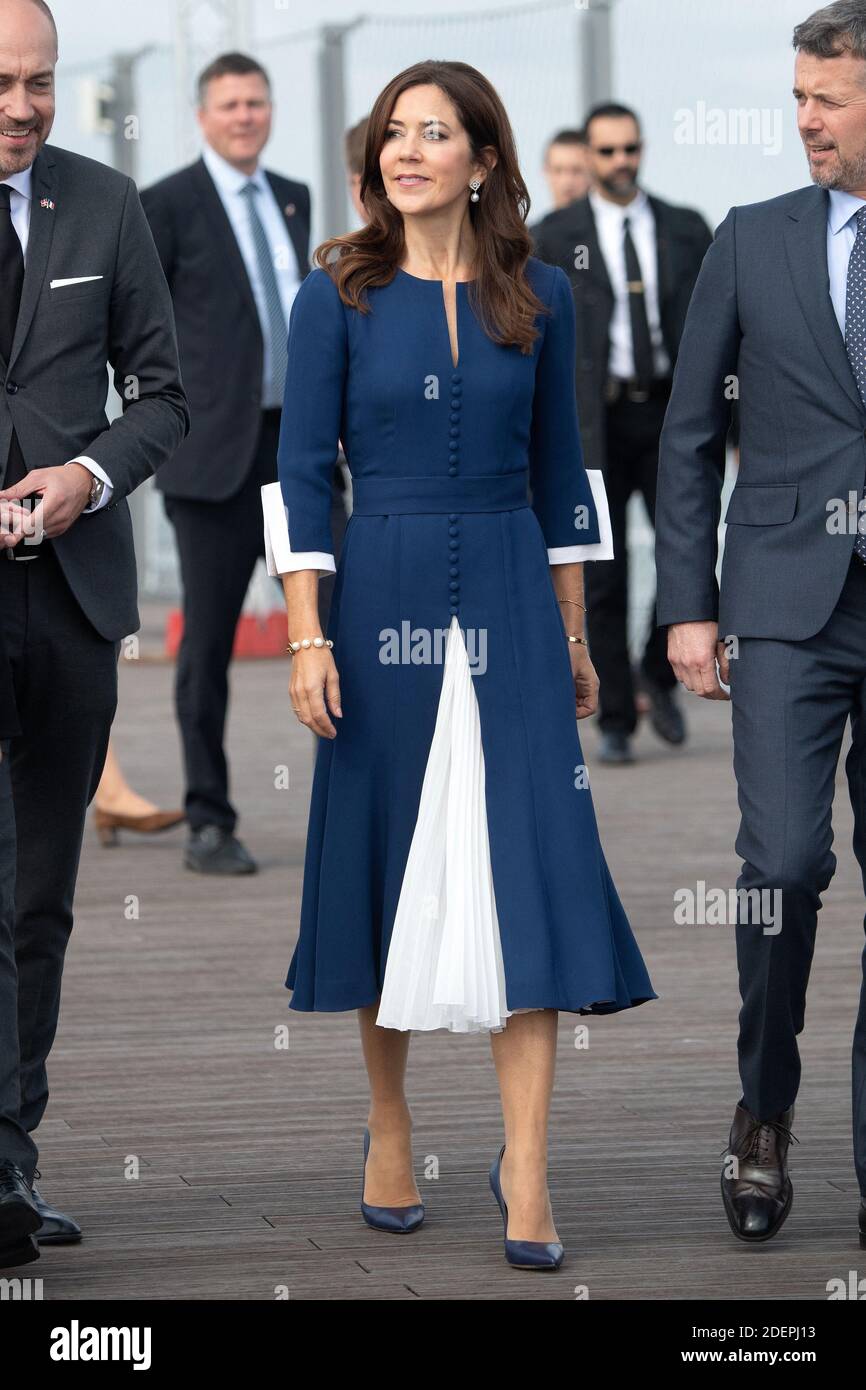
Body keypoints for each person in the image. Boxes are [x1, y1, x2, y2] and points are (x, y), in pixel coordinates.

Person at [262, 58, 656, 1270]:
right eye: (393, 131)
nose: (407, 149)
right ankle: (388, 1124)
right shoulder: (334, 295)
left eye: (435, 132)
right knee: (388, 856)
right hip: (371, 590)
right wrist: (306, 631)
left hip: (509, 590)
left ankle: (525, 1167)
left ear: (483, 159)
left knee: (526, 864)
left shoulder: (539, 291)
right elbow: (297, 472)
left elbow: (561, 473)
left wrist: (576, 632)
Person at [655, 0, 866, 1246]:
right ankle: (760, 1112)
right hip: (784, 604)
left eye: (825, 100)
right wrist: (687, 605)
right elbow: (685, 438)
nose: (802, 121)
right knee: (781, 866)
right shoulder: (748, 239)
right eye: (794, 99)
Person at [0, 0, 188, 1268]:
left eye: (42, 82)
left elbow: (166, 395)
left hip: (70, 595)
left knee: (39, 898)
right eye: (3, 82)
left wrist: (87, 475)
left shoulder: (106, 203)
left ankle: (13, 1157)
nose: (23, 105)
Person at [141, 52, 345, 875]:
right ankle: (208, 818)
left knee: (339, 618)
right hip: (210, 456)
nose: (245, 116)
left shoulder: (292, 195)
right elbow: (141, 324)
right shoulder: (166, 205)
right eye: (229, 104)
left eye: (256, 102)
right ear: (203, 115)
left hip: (295, 446)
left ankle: (360, 805)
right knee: (209, 643)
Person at [533, 103, 713, 764]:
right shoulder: (555, 235)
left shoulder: (685, 228)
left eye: (629, 148)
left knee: (686, 555)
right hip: (593, 422)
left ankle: (658, 677)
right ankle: (613, 718)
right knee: (602, 571)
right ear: (590, 155)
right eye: (606, 152)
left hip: (672, 415)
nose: (620, 162)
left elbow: (723, 328)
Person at [539, 127, 591, 213]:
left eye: (577, 171)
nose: (567, 181)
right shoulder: (534, 226)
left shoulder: (610, 225)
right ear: (545, 172)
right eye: (558, 171)